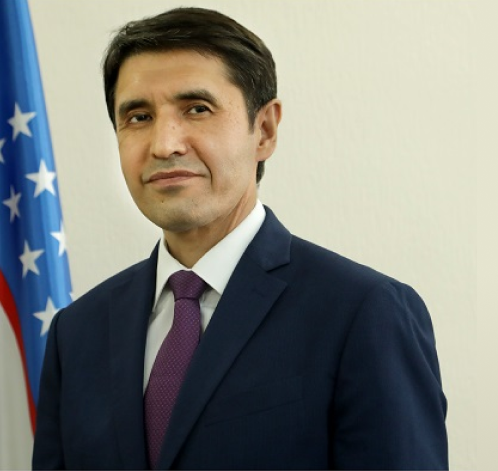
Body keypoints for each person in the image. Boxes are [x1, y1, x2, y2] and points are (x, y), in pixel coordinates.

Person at [32, 7, 448, 470]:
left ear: (264, 130)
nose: (164, 144)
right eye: (139, 116)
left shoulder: (363, 312)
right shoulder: (77, 333)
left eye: (197, 109)